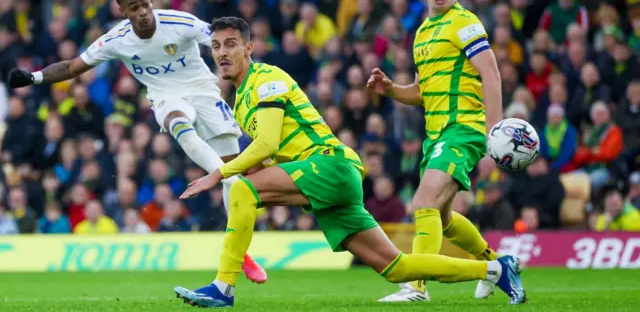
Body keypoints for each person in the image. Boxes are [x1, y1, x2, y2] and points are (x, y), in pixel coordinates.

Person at [172, 16, 525, 308]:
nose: (222, 52)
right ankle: (495, 269)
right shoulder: (241, 99)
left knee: (242, 192)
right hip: (324, 180)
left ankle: (223, 287)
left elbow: (266, 143)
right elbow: (271, 154)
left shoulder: (266, 79)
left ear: (248, 48)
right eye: (216, 46)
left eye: (231, 44)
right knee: (398, 268)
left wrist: (217, 174)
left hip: (329, 166)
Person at [6, 0, 266, 283]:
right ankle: (226, 175)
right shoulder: (116, 40)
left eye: (146, 3)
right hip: (166, 97)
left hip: (204, 92)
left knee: (234, 171)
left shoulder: (179, 22)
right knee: (181, 125)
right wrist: (34, 78)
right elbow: (74, 67)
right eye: (135, 7)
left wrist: (253, 69)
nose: (143, 11)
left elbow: (221, 40)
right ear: (123, 11)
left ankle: (240, 251)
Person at [367, 0, 504, 302]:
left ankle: (416, 287)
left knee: (423, 201)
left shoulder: (465, 23)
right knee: (440, 218)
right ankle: (497, 267)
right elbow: (422, 92)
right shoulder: (423, 33)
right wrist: (391, 90)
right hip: (437, 134)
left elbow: (491, 72)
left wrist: (496, 131)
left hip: (463, 128)